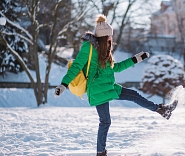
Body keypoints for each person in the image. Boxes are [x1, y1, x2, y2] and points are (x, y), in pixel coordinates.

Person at [54, 14, 178, 156]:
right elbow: (76, 66)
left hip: (109, 87)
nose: (111, 39)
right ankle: (101, 152)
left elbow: (116, 67)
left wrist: (135, 59)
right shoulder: (88, 48)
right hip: (97, 90)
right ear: (103, 37)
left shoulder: (105, 50)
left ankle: (162, 110)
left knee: (133, 95)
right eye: (109, 37)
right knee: (105, 122)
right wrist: (63, 85)